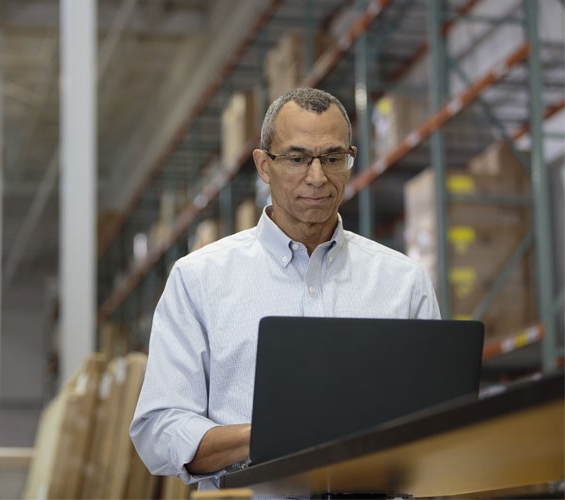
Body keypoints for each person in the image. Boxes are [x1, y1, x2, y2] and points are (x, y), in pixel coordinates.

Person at [129, 88, 441, 491]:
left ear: (350, 160)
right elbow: (160, 427)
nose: (317, 176)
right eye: (296, 159)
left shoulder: (403, 281)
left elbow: (436, 418)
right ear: (263, 165)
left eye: (332, 158)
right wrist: (268, 436)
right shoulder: (199, 279)